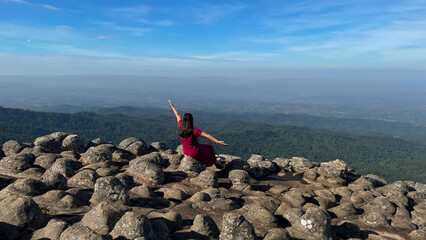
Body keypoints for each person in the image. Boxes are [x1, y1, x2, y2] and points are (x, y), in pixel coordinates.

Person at [168, 100, 228, 169]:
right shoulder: (193, 130)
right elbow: (207, 135)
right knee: (209, 147)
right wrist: (217, 141)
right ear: (191, 120)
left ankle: (215, 160)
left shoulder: (180, 126)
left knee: (205, 148)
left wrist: (172, 106)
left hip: (186, 151)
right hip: (194, 152)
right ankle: (220, 165)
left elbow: (177, 115)